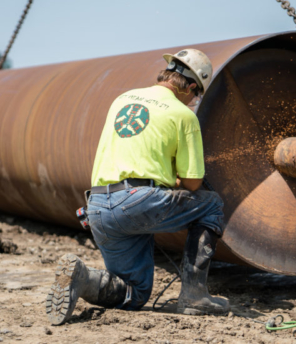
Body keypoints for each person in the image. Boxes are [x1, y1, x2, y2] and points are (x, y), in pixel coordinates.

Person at [46, 48, 230, 326]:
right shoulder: (183, 115)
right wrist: (174, 179)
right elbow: (192, 182)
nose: (194, 101)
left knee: (136, 292)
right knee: (212, 203)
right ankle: (194, 296)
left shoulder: (122, 99)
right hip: (138, 202)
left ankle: (83, 279)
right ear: (190, 86)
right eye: (196, 95)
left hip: (97, 207)